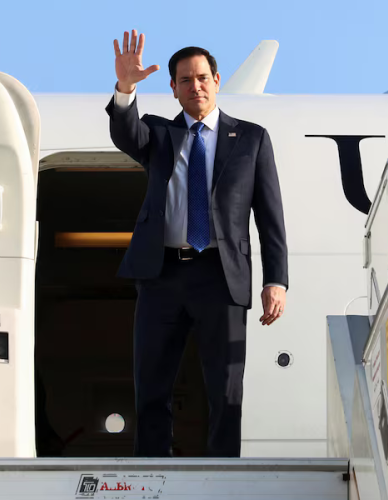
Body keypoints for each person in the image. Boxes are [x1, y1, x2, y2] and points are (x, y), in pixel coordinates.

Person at [106, 30, 288, 458]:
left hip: (220, 276)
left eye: (202, 77)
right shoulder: (157, 134)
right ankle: (153, 469)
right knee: (151, 384)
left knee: (226, 388)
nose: (196, 86)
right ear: (172, 88)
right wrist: (126, 87)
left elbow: (270, 214)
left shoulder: (251, 139)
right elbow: (125, 133)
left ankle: (223, 472)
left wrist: (276, 280)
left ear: (218, 80)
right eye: (185, 80)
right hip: (161, 275)